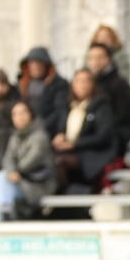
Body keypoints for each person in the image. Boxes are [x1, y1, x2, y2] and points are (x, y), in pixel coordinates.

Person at [50, 68, 120, 197]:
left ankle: (65, 197)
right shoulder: (68, 106)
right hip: (68, 151)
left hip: (92, 153)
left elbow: (103, 136)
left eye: (86, 81)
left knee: (58, 162)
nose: (82, 85)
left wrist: (74, 144)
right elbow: (60, 127)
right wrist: (60, 135)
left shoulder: (102, 106)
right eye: (78, 81)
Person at [83, 43, 130, 158]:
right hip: (92, 138)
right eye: (91, 58)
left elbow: (122, 118)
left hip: (111, 141)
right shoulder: (87, 83)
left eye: (99, 57)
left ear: (108, 59)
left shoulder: (119, 85)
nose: (94, 62)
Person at [17, 47, 71, 135]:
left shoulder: (58, 84)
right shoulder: (23, 84)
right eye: (32, 63)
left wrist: (60, 131)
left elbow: (60, 111)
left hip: (47, 129)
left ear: (46, 65)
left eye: (39, 63)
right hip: (25, 127)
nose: (35, 67)